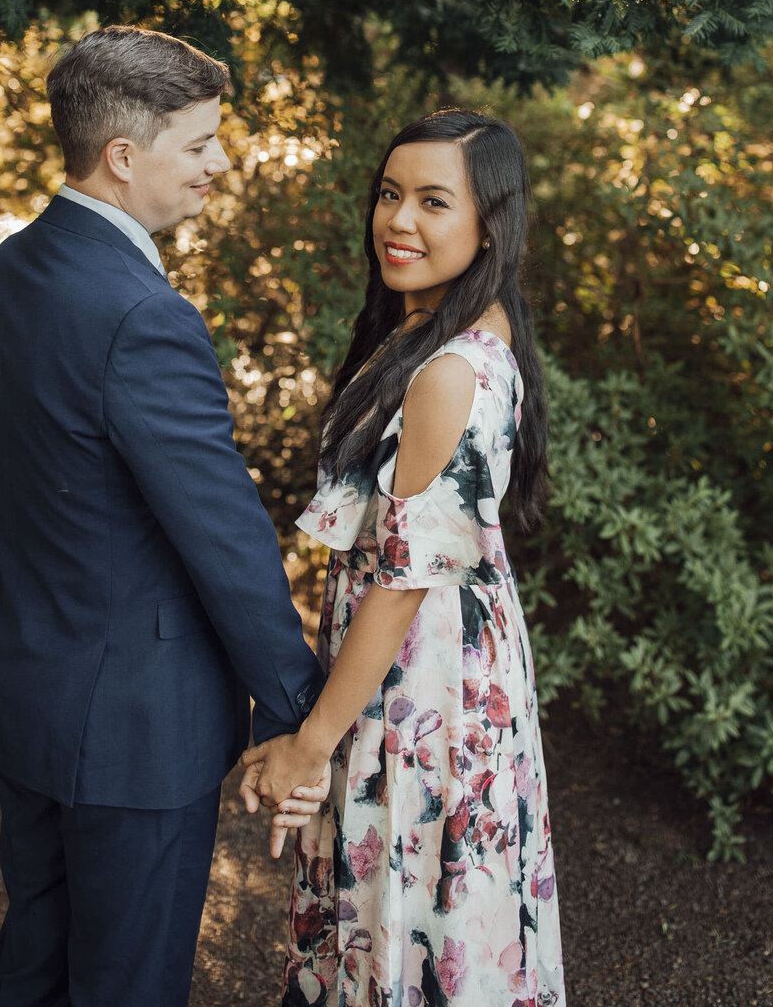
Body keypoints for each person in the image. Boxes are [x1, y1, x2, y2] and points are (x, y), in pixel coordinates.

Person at [0, 26, 326, 1007]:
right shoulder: (142, 314)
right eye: (200, 144)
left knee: (36, 960)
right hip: (135, 728)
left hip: (29, 691)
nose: (220, 164)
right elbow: (224, 536)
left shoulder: (9, 270)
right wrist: (301, 712)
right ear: (123, 156)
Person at [242, 108, 566, 1007]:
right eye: (390, 194)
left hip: (422, 684)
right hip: (427, 666)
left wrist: (309, 745)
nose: (399, 220)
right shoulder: (442, 333)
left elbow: (401, 584)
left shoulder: (449, 369)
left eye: (433, 201)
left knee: (407, 923)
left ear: (490, 224)